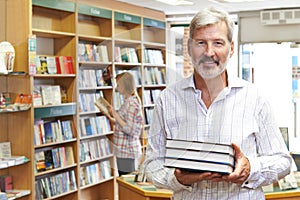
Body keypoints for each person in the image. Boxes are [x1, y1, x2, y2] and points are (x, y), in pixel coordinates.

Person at [143, 7, 292, 199]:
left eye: (218, 43)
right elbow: (151, 164)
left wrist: (250, 168)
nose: (209, 52)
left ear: (231, 48)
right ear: (189, 48)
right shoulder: (167, 99)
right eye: (201, 43)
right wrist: (177, 179)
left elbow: (282, 162)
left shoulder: (255, 98)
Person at [106, 72, 143, 176]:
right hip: (122, 150)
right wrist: (110, 116)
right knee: (124, 181)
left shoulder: (132, 104)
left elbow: (129, 129)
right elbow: (122, 124)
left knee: (127, 183)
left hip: (128, 151)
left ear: (125, 85)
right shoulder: (127, 102)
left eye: (118, 85)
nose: (116, 88)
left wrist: (115, 114)